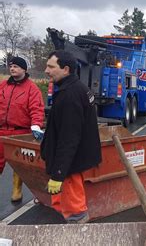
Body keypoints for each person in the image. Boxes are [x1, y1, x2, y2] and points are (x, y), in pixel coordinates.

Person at [41, 50, 101, 224]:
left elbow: (69, 138)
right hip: (69, 164)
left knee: (75, 213)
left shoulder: (71, 94)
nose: (46, 70)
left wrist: (58, 174)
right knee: (64, 208)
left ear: (65, 69)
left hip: (69, 168)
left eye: (51, 67)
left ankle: (77, 237)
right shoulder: (74, 88)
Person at [0, 56, 45, 202]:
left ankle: (16, 190)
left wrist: (36, 125)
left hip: (20, 132)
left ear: (24, 69)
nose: (12, 68)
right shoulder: (3, 86)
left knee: (18, 163)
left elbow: (37, 109)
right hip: (1, 130)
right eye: (11, 66)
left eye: (16, 66)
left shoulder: (32, 89)